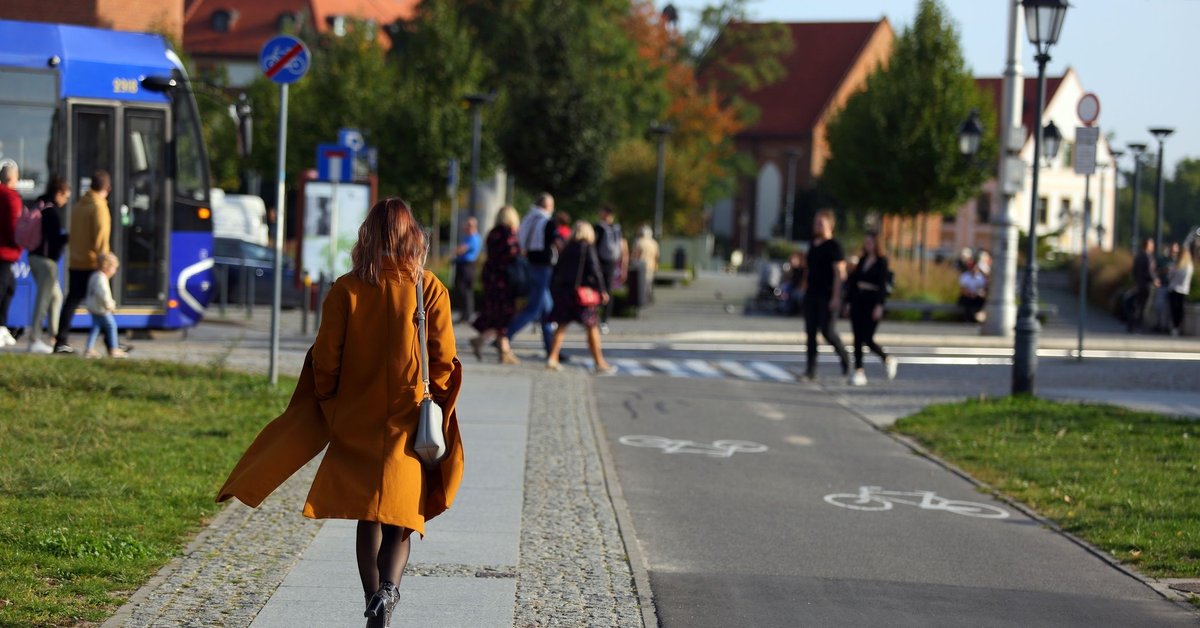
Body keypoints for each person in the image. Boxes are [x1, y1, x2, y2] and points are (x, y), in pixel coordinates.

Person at [217, 198, 464, 628]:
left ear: (368, 236)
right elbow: (443, 360)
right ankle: (389, 592)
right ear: (413, 237)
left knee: (368, 515)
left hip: (357, 414)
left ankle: (372, 600)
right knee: (400, 518)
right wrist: (436, 398)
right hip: (408, 418)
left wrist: (330, 399)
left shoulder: (347, 289)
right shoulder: (428, 288)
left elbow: (326, 358)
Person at [545, 221, 615, 374]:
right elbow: (595, 270)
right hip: (582, 296)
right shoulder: (587, 247)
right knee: (592, 327)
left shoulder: (567, 247)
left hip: (565, 293)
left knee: (561, 326)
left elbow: (557, 270)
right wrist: (602, 290)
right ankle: (599, 362)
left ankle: (553, 357)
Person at [55, 170, 112, 354]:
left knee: (72, 300)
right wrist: (105, 261)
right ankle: (112, 344)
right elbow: (101, 237)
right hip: (92, 262)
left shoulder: (79, 204)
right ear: (108, 188)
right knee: (102, 303)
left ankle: (61, 340)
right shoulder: (99, 207)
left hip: (76, 260)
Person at [506, 193, 560, 357]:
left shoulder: (529, 218)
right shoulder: (547, 221)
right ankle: (505, 336)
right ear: (547, 206)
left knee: (547, 309)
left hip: (530, 264)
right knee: (534, 309)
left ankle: (551, 347)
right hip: (543, 267)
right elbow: (557, 242)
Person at [802, 209, 850, 380]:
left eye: (820, 223)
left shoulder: (834, 246)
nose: (817, 226)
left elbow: (839, 274)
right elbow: (808, 268)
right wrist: (804, 287)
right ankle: (810, 370)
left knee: (827, 331)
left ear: (830, 225)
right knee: (810, 332)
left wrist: (836, 297)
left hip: (828, 294)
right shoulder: (812, 244)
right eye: (816, 222)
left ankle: (845, 357)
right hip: (811, 294)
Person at [469, 206, 522, 364]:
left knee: (497, 314)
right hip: (504, 280)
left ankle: (504, 351)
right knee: (504, 315)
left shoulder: (493, 233)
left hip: (491, 277)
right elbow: (513, 254)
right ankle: (487, 343)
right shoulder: (508, 234)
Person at [845, 231, 896, 386]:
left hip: (872, 302)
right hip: (858, 300)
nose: (867, 245)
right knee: (857, 338)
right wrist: (848, 302)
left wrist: (879, 305)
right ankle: (859, 370)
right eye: (865, 242)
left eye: (870, 242)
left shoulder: (882, 262)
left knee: (867, 337)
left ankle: (886, 358)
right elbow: (853, 282)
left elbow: (882, 285)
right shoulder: (862, 260)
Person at [27, 177, 70, 353]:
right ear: (58, 193)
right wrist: (69, 237)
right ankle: (35, 338)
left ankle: (54, 337)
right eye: (65, 196)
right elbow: (54, 240)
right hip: (46, 262)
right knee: (43, 299)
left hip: (34, 257)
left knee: (56, 296)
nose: (66, 201)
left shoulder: (41, 205)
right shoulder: (52, 212)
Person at [83, 253, 126, 359]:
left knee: (95, 328)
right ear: (106, 267)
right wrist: (110, 306)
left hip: (94, 307)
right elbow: (103, 294)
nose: (115, 271)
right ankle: (114, 349)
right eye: (114, 268)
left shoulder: (94, 276)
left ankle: (89, 349)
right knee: (112, 326)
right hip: (102, 309)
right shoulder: (101, 278)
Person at [593, 204, 627, 333]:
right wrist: (623, 265)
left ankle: (596, 318)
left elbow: (593, 245)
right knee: (608, 290)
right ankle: (604, 321)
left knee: (597, 289)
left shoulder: (599, 228)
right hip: (612, 262)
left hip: (600, 262)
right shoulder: (617, 229)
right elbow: (623, 248)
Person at [0, 160, 21, 347]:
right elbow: (15, 226)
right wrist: (20, 243)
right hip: (5, 251)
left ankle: (2, 326)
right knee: (4, 289)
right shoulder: (11, 197)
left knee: (9, 287)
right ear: (13, 178)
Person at [452, 217, 482, 324]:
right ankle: (465, 314)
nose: (465, 227)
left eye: (468, 225)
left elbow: (461, 250)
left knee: (464, 290)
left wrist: (457, 251)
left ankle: (467, 315)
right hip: (464, 265)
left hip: (467, 266)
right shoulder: (468, 237)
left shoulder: (473, 238)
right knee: (464, 291)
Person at [1128, 237, 1158, 333]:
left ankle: (1133, 326)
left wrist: (1136, 281)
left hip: (1139, 284)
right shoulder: (1148, 257)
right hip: (1147, 285)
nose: (1153, 247)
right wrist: (1155, 280)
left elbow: (1134, 271)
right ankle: (1140, 326)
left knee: (1137, 306)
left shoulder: (1138, 256)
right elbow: (1149, 271)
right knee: (1145, 307)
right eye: (1151, 245)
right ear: (1147, 246)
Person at [1166, 241, 1193, 337]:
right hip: (1183, 290)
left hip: (1174, 289)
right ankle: (1177, 327)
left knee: (1174, 310)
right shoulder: (1189, 266)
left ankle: (1174, 327)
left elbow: (1169, 277)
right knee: (1179, 310)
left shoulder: (1176, 265)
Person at [958, 258, 988, 323]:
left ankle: (976, 318)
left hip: (977, 296)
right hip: (967, 296)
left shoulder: (981, 277)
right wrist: (970, 294)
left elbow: (983, 289)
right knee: (967, 302)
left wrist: (977, 293)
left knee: (981, 302)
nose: (974, 269)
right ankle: (968, 319)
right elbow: (963, 289)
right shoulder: (965, 276)